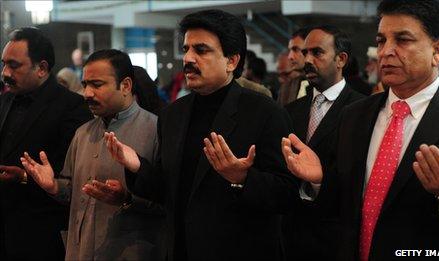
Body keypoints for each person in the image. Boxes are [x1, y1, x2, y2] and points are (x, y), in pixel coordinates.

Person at [91, 9, 298, 261]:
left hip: (240, 249)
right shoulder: (173, 115)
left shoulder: (265, 112)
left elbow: (287, 194)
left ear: (231, 61)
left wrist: (242, 178)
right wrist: (136, 165)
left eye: (201, 50)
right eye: (186, 48)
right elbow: (169, 191)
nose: (188, 58)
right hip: (181, 249)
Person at [282, 1, 439, 260]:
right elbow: (345, 206)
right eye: (381, 40)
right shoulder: (355, 114)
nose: (386, 51)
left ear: (438, 50)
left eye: (402, 40)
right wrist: (321, 180)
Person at [21, 49, 166, 261]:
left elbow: (170, 204)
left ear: (125, 85)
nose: (87, 93)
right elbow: (72, 193)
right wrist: (52, 186)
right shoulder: (83, 133)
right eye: (85, 84)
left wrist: (126, 199)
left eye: (96, 85)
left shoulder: (156, 130)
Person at [0, 27, 92, 260]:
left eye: (14, 65)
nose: (5, 72)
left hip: (41, 232)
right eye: (4, 64)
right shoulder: (5, 100)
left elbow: (73, 175)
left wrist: (23, 177)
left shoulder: (72, 106)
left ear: (41, 68)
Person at [283, 25, 365, 261]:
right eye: (305, 52)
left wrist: (320, 182)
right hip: (291, 237)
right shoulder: (291, 111)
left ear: (341, 59)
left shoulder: (362, 110)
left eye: (317, 53)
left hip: (335, 238)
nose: (307, 60)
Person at [278, 28, 311, 106]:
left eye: (295, 49)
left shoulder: (326, 85)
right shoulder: (286, 88)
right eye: (290, 50)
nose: (290, 56)